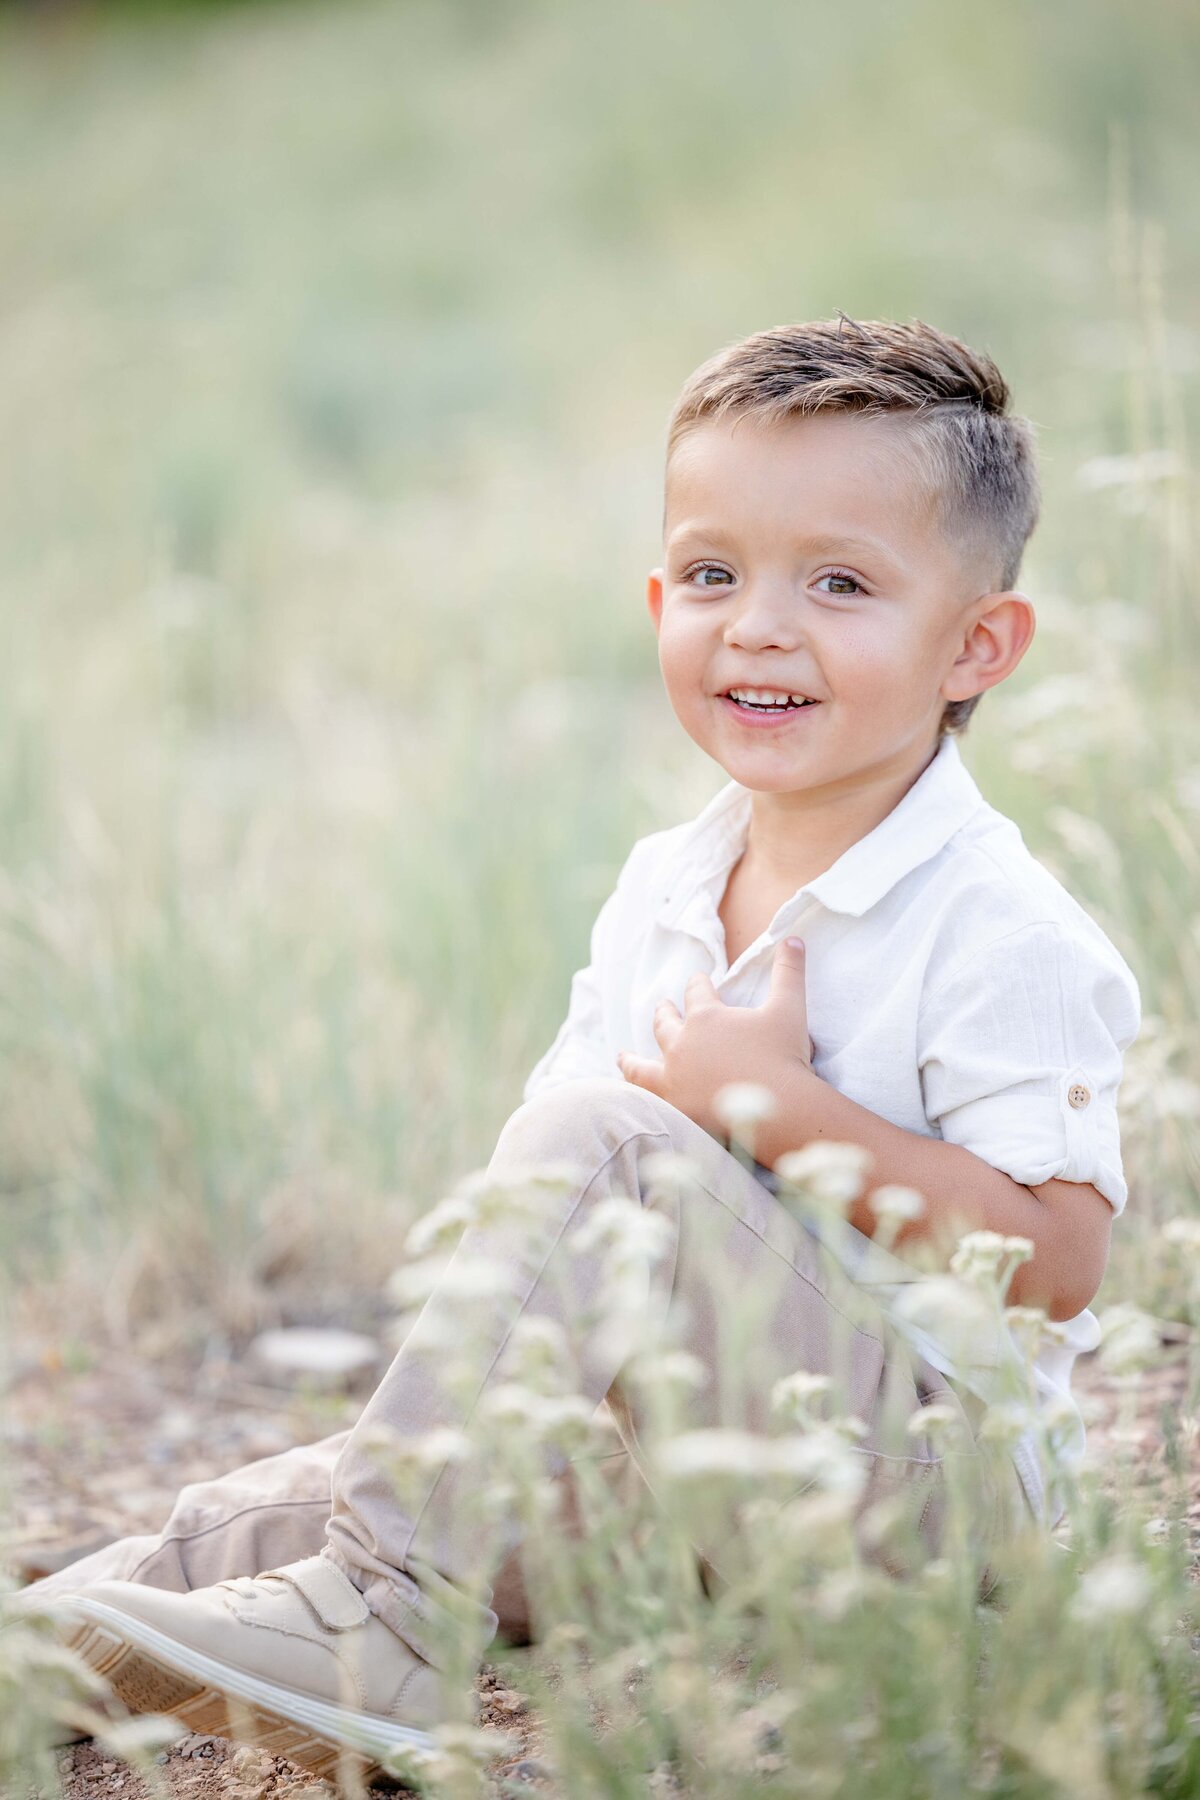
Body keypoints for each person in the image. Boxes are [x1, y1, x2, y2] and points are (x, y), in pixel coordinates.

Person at [13, 316, 1141, 1782]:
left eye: (842, 583)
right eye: (716, 575)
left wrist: (779, 1111)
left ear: (975, 644)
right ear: (660, 595)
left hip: (928, 1497)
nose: (759, 626)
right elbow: (551, 1234)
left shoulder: (999, 925)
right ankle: (63, 1645)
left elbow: (1056, 1260)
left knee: (596, 1152)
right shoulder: (665, 887)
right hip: (673, 1473)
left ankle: (384, 1620)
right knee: (296, 1500)